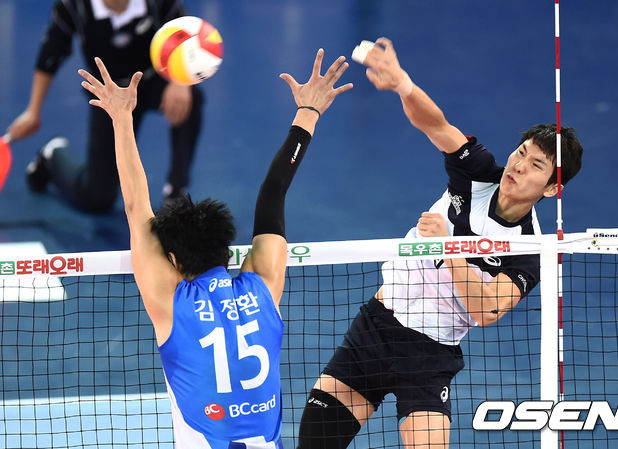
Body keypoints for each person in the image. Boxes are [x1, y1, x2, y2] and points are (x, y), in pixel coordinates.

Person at [297, 38, 583, 449]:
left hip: (429, 357)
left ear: (552, 189)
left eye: (536, 165)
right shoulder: (478, 174)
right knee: (314, 444)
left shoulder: (530, 251)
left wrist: (449, 248)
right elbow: (436, 125)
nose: (518, 166)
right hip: (376, 328)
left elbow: (487, 310)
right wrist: (403, 84)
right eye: (521, 152)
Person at [78, 48, 352, 448]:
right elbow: (274, 192)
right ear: (227, 248)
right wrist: (308, 112)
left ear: (173, 259)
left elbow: (136, 208)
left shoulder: (171, 303)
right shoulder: (262, 288)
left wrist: (122, 118)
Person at [9, 0, 203, 212]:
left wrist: (180, 81)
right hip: (108, 94)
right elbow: (50, 55)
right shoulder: (72, 6)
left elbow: (184, 35)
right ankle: (53, 156)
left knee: (192, 97)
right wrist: (33, 111)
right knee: (97, 198)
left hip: (152, 80)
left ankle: (176, 192)